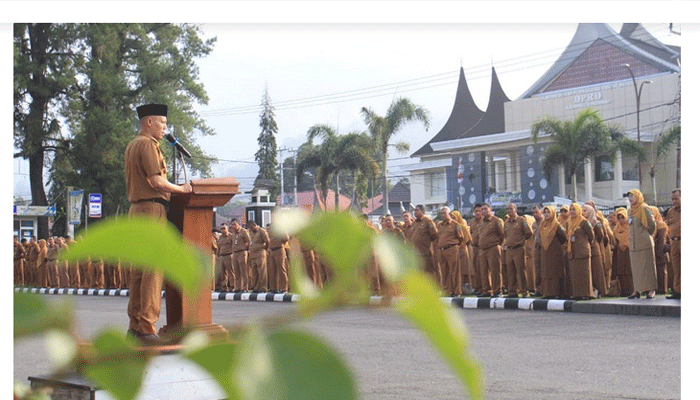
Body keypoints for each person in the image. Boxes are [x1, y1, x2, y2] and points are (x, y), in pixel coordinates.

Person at [124, 103, 192, 344]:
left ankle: (135, 326)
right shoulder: (147, 145)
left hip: (137, 210)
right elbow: (156, 181)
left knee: (139, 271)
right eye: (162, 122)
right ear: (149, 122)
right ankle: (146, 327)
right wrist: (181, 189)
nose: (165, 127)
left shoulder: (133, 144)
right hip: (152, 209)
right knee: (153, 270)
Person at [626, 190, 657, 299]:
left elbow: (652, 225)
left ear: (638, 196)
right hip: (633, 244)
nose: (630, 198)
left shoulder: (644, 208)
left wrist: (647, 235)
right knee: (636, 268)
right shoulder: (630, 211)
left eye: (632, 196)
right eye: (629, 196)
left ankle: (651, 290)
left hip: (644, 242)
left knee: (648, 267)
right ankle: (637, 290)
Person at [565, 203, 595, 300]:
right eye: (571, 209)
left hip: (582, 251)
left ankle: (587, 294)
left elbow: (591, 236)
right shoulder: (569, 222)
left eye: (574, 209)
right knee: (575, 274)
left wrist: (584, 243)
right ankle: (577, 294)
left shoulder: (584, 222)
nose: (572, 211)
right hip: (573, 252)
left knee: (584, 273)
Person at [503, 203, 533, 298]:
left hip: (519, 248)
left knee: (521, 271)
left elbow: (529, 233)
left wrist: (523, 242)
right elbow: (505, 234)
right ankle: (512, 291)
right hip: (509, 249)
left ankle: (524, 291)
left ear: (516, 210)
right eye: (508, 209)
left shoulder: (521, 220)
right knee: (510, 271)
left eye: (511, 209)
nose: (509, 210)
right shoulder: (506, 222)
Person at [539, 206, 568, 298]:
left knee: (554, 271)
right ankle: (547, 292)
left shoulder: (557, 225)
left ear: (553, 213)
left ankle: (556, 292)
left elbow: (564, 237)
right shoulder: (542, 225)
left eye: (548, 212)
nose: (546, 214)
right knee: (545, 271)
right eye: (545, 212)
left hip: (555, 252)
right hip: (545, 252)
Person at [477, 203, 505, 297]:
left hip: (493, 248)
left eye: (485, 209)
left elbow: (502, 235)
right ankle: (487, 290)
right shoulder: (481, 222)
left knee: (495, 270)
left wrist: (498, 245)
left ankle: (498, 290)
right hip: (482, 249)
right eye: (482, 210)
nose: (483, 211)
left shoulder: (497, 221)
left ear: (490, 210)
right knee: (484, 271)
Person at [409, 205, 440, 286]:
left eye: (417, 210)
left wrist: (426, 243)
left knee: (429, 272)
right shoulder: (415, 222)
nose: (415, 212)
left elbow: (435, 234)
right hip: (416, 252)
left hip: (425, 252)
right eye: (414, 210)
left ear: (422, 211)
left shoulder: (428, 221)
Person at [437, 207, 464, 297]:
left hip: (452, 249)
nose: (443, 215)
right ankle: (447, 290)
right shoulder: (440, 225)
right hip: (442, 250)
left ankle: (457, 291)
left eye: (444, 213)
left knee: (454, 271)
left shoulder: (455, 224)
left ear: (449, 214)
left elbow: (461, 237)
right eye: (441, 214)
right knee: (444, 272)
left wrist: (454, 246)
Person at [582, 204, 607, 298]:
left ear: (590, 212)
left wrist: (594, 242)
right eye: (582, 210)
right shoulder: (582, 222)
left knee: (597, 271)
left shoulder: (596, 223)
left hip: (594, 248)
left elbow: (601, 236)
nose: (583, 213)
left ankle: (600, 291)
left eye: (585, 211)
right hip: (586, 248)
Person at [612, 208, 634, 297]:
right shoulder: (616, 228)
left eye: (623, 217)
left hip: (629, 250)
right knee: (621, 271)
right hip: (620, 251)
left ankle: (632, 290)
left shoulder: (630, 226)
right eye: (619, 218)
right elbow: (614, 240)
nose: (621, 220)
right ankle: (624, 290)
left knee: (629, 270)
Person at [450, 210, 472, 293]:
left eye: (454, 217)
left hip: (462, 249)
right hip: (454, 250)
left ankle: (464, 287)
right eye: (451, 217)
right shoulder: (452, 226)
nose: (453, 219)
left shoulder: (462, 227)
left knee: (463, 269)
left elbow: (468, 239)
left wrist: (461, 245)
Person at [650, 206, 669, 295]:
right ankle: (656, 289)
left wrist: (659, 252)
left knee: (661, 270)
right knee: (655, 271)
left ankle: (662, 289)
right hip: (653, 250)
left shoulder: (661, 224)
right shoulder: (651, 224)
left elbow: (662, 239)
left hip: (659, 251)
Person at [666, 189, 680, 299]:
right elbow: (669, 225)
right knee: (676, 267)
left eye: (676, 198)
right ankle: (678, 290)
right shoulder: (671, 211)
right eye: (672, 199)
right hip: (674, 242)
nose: (674, 201)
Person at [268, 222, 290, 294]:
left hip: (279, 249)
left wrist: (281, 244)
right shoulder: (270, 231)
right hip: (272, 251)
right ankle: (274, 288)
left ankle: (284, 288)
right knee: (272, 270)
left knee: (281, 269)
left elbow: (286, 238)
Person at [248, 220, 269, 293]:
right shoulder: (251, 233)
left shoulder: (261, 231)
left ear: (255, 225)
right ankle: (256, 287)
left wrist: (265, 249)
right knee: (254, 272)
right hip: (253, 255)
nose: (250, 229)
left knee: (262, 271)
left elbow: (267, 241)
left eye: (251, 227)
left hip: (260, 253)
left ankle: (263, 287)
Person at [230, 219, 251, 292]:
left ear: (238, 224)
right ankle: (237, 287)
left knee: (243, 270)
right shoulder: (233, 233)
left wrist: (246, 249)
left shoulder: (243, 231)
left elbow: (248, 241)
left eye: (234, 224)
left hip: (242, 252)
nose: (233, 226)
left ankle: (245, 287)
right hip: (235, 253)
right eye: (232, 225)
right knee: (236, 270)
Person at [468, 204, 483, 295]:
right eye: (476, 211)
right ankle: (478, 287)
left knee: (484, 269)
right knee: (476, 269)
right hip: (475, 248)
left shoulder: (485, 221)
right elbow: (470, 233)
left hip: (483, 247)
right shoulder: (472, 221)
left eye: (479, 211)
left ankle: (486, 288)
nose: (478, 213)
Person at [216, 223, 235, 292]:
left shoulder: (231, 236)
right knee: (222, 272)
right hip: (222, 256)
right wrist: (218, 255)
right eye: (221, 229)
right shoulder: (220, 237)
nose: (222, 230)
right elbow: (219, 247)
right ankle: (224, 287)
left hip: (229, 255)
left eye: (224, 228)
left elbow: (234, 246)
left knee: (230, 272)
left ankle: (233, 286)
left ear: (227, 228)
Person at [531, 206, 544, 296]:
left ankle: (545, 289)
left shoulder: (545, 222)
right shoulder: (534, 224)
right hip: (536, 249)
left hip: (544, 249)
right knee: (537, 269)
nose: (535, 214)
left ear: (541, 212)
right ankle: (538, 289)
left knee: (545, 269)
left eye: (536, 212)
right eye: (533, 213)